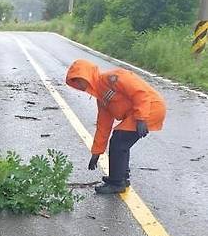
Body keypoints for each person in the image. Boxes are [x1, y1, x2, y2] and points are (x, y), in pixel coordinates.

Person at [65, 59, 166, 194]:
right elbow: (103, 126)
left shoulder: (112, 78)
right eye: (75, 82)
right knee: (120, 141)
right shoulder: (102, 98)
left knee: (119, 141)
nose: (78, 85)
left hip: (150, 108)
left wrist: (141, 118)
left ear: (87, 75)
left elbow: (140, 92)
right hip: (140, 113)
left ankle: (117, 183)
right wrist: (96, 152)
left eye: (79, 79)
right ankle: (121, 177)